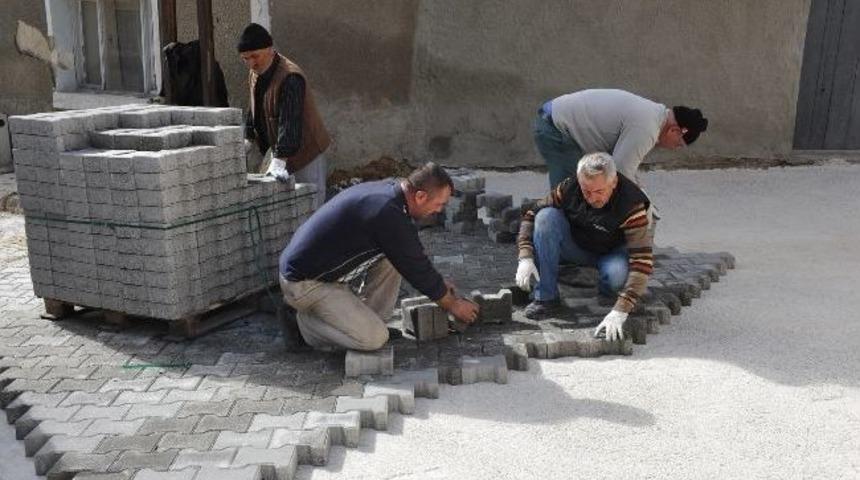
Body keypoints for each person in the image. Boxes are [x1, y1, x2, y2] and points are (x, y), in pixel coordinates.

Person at [278, 162, 480, 351]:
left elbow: (411, 255)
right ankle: (302, 324)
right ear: (419, 196)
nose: (439, 210)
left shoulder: (392, 193)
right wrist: (453, 304)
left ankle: (367, 319)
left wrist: (440, 284)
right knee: (374, 339)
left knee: (395, 258)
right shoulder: (387, 213)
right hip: (305, 283)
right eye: (439, 204)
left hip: (323, 271)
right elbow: (418, 270)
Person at [514, 152, 653, 342]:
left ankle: (607, 291)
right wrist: (525, 256)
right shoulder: (569, 187)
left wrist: (622, 309)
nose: (591, 198)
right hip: (578, 247)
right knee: (546, 218)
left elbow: (642, 262)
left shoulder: (631, 204)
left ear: (613, 183)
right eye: (586, 191)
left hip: (612, 255)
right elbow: (531, 214)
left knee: (616, 274)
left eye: (599, 192)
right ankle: (546, 297)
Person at [534, 88, 708, 188]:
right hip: (555, 129)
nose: (673, 149)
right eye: (678, 144)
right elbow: (620, 173)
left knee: (584, 190)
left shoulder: (652, 115)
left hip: (555, 120)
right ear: (675, 131)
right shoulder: (647, 128)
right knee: (572, 192)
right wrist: (643, 205)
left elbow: (619, 168)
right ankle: (548, 240)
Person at [237, 22, 331, 207]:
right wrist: (248, 138)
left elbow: (290, 122)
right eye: (245, 59)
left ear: (270, 50)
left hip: (306, 154)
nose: (250, 63)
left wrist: (279, 161)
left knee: (311, 208)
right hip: (282, 150)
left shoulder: (290, 77)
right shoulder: (255, 74)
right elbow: (254, 107)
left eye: (255, 56)